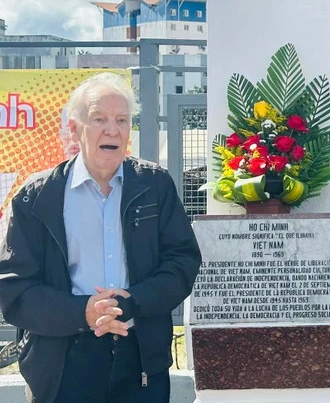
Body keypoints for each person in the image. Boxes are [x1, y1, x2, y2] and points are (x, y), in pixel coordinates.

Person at [0, 73, 202, 403]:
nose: (113, 130)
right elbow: (14, 288)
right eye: (99, 119)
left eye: (122, 120)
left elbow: (182, 263)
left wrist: (132, 301)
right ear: (75, 129)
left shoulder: (155, 186)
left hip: (140, 357)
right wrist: (84, 311)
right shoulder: (37, 197)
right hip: (62, 362)